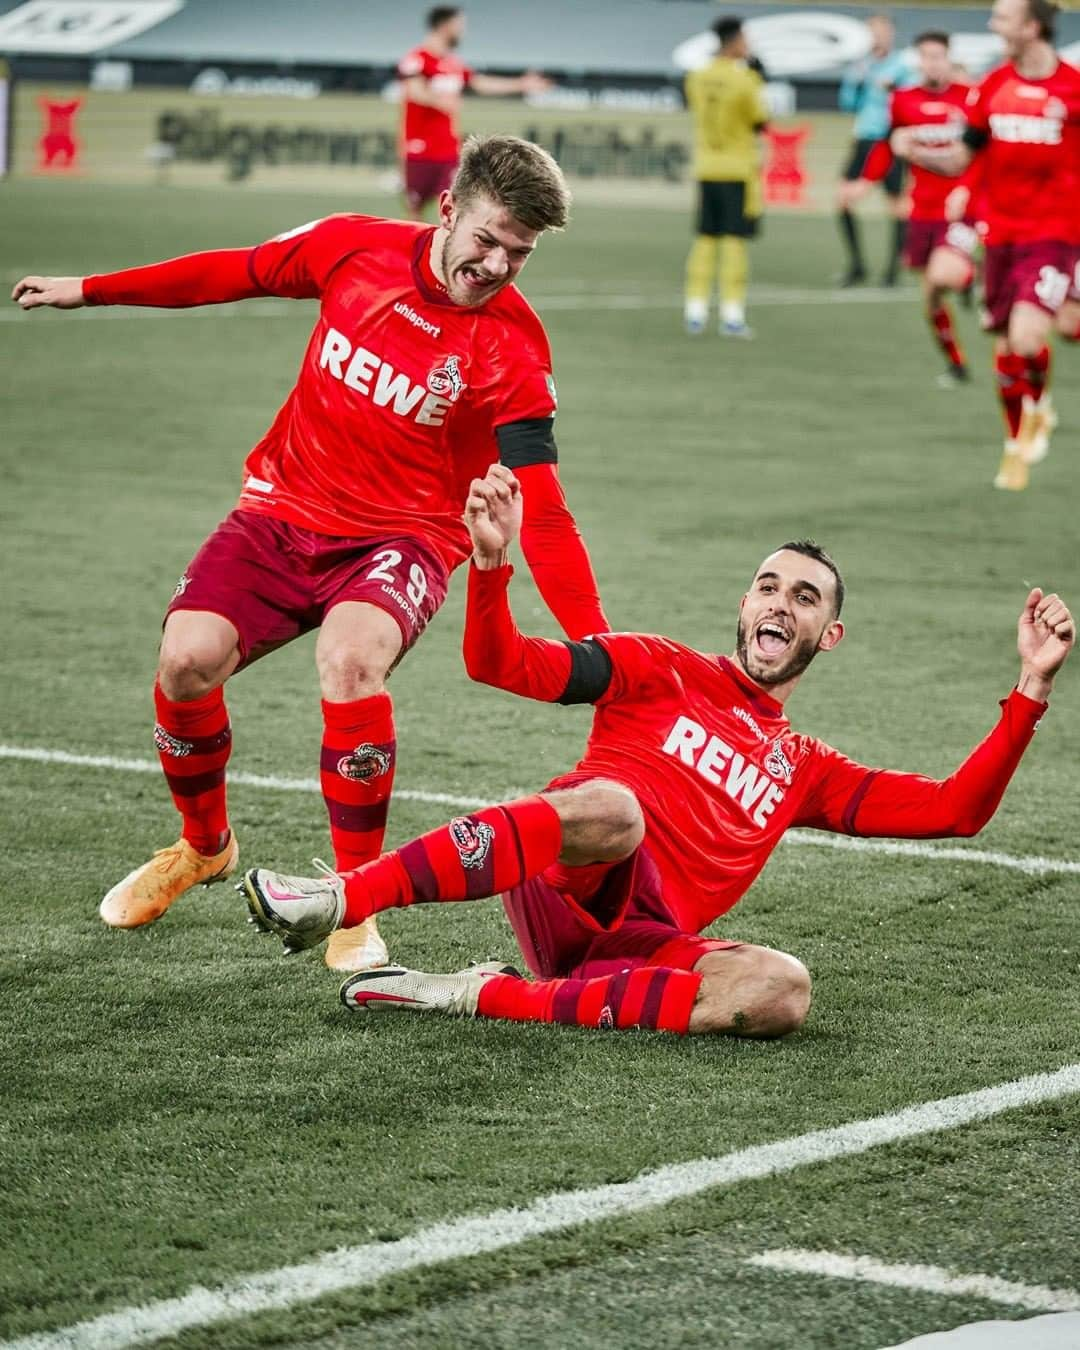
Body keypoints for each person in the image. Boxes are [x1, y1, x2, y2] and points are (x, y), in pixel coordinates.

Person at [12, 137, 609, 975]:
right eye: (488, 238)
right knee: (185, 660)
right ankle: (203, 848)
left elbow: (545, 512)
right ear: (446, 210)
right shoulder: (355, 248)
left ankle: (354, 899)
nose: (498, 263)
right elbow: (237, 271)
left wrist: (603, 649)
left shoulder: (513, 349)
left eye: (519, 252)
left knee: (351, 660)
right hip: (282, 509)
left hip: (403, 536)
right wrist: (92, 291)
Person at [240, 465, 1074, 1038]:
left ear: (831, 633)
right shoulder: (657, 665)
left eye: (806, 597)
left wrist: (1030, 689)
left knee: (781, 991)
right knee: (617, 807)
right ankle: (339, 897)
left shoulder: (807, 769)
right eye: (770, 586)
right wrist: (491, 567)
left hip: (637, 944)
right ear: (746, 605)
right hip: (568, 870)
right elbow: (500, 665)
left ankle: (477, 993)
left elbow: (956, 811)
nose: (783, 602)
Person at [904, 0, 1080, 491]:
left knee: (1028, 338)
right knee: (1005, 345)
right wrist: (919, 152)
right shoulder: (992, 87)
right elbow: (965, 155)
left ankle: (1037, 409)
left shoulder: (1074, 87)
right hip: (999, 235)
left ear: (1032, 27)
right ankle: (1016, 442)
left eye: (1002, 18)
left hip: (1055, 235)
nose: (991, 25)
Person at [858, 32, 977, 386]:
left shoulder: (969, 99)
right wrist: (865, 181)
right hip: (922, 211)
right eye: (926, 56)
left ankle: (973, 273)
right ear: (918, 61)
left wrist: (968, 189)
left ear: (949, 59)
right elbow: (888, 146)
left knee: (943, 275)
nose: (933, 63)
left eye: (939, 56)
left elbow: (982, 153)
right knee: (931, 297)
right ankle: (956, 363)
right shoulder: (904, 101)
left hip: (959, 208)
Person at [398, 6, 551, 221]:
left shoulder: (453, 64)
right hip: (419, 150)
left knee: (456, 204)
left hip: (448, 150)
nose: (462, 31)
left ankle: (452, 252)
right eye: (459, 26)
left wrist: (522, 84)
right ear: (444, 26)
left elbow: (481, 83)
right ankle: (418, 253)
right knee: (415, 211)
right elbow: (414, 91)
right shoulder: (417, 59)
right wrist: (440, 101)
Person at [683, 15, 770, 338]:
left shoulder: (697, 77)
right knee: (735, 242)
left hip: (707, 166)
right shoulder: (745, 80)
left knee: (705, 239)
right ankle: (732, 314)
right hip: (737, 169)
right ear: (734, 41)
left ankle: (695, 311)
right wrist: (759, 77)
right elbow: (761, 120)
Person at [836, 13, 915, 288]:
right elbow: (847, 103)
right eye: (874, 32)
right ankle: (857, 264)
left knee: (896, 206)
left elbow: (911, 100)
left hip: (890, 140)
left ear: (891, 34)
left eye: (884, 31)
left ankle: (892, 271)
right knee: (844, 199)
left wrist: (893, 87)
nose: (879, 36)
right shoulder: (861, 66)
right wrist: (857, 83)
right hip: (864, 138)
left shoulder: (902, 66)